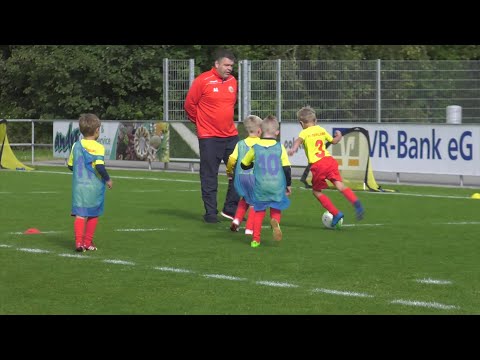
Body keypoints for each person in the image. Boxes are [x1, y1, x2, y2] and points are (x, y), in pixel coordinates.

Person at [184, 48, 240, 223]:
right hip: (209, 137)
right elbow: (189, 105)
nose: (229, 68)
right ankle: (210, 213)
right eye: (226, 65)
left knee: (241, 171)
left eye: (231, 65)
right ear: (216, 64)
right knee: (209, 175)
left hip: (231, 136)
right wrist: (200, 123)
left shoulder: (233, 81)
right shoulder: (203, 80)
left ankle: (230, 210)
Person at [287, 106, 364, 227]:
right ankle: (356, 202)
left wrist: (293, 149)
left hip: (318, 165)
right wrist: (339, 135)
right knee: (340, 185)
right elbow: (334, 141)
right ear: (315, 120)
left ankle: (336, 213)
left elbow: (298, 141)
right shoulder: (321, 130)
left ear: (301, 123)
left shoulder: (304, 132)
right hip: (330, 161)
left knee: (316, 192)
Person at [240, 115, 292, 248]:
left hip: (260, 186)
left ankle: (255, 240)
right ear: (277, 132)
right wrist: (288, 185)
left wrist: (252, 165)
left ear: (261, 130)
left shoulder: (255, 147)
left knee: (259, 212)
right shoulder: (280, 147)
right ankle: (275, 221)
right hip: (276, 185)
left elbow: (244, 164)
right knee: (276, 208)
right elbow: (286, 168)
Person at [67, 114, 113, 252]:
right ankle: (87, 243)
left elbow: (70, 165)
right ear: (98, 130)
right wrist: (108, 179)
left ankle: (78, 243)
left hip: (79, 186)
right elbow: (99, 166)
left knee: (80, 214)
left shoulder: (76, 145)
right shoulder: (99, 147)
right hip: (94, 187)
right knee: (93, 213)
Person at [225, 115, 263, 235]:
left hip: (240, 177)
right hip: (254, 178)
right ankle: (249, 229)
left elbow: (231, 159)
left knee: (245, 199)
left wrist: (229, 172)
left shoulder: (240, 143)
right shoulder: (261, 144)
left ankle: (236, 221)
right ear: (259, 130)